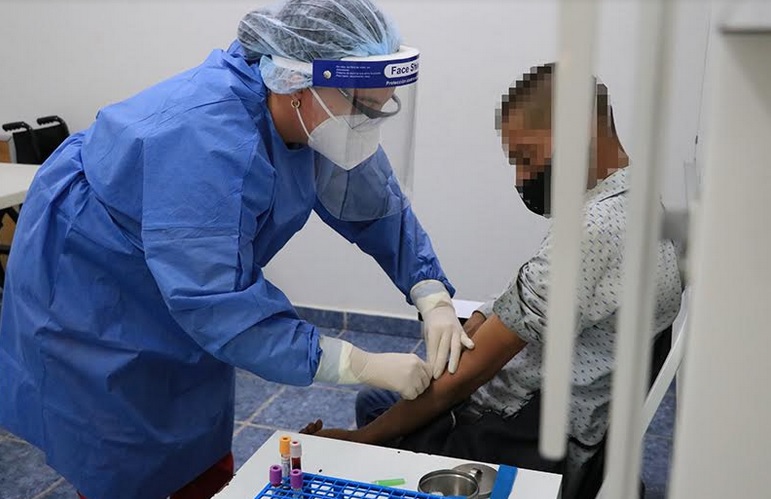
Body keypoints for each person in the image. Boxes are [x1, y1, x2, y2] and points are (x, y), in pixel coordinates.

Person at [0, 1, 474, 498]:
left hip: (183, 273)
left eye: (381, 109)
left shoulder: (314, 118)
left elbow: (374, 205)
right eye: (363, 108)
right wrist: (359, 363)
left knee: (196, 424)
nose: (368, 124)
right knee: (122, 440)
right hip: (91, 286)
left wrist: (430, 290)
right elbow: (219, 304)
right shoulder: (204, 142)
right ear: (296, 83)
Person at [301, 63, 683, 487]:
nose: (523, 179)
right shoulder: (637, 199)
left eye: (526, 158)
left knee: (375, 407)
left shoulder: (590, 233)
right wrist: (483, 317)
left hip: (517, 436)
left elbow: (465, 379)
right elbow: (535, 295)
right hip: (564, 415)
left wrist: (359, 440)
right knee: (388, 396)